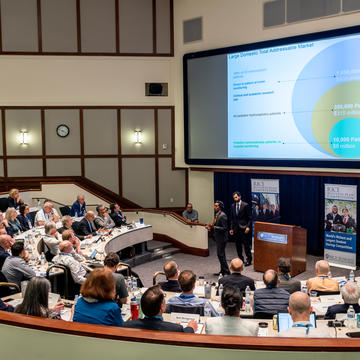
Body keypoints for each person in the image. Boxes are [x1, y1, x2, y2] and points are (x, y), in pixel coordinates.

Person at [123, 285, 197, 333]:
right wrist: (191, 327)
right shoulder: (176, 329)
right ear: (162, 307)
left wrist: (172, 326)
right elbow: (186, 334)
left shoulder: (127, 326)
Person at [206, 200, 230, 276]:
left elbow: (225, 228)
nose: (214, 207)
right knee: (220, 255)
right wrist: (210, 227)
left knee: (221, 255)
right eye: (214, 205)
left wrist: (214, 227)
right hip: (218, 237)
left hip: (222, 238)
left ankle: (227, 271)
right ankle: (223, 271)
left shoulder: (223, 215)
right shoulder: (217, 214)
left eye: (216, 206)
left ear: (220, 207)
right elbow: (216, 226)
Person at [230, 191, 252, 267]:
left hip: (244, 228)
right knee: (238, 245)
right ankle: (241, 259)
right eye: (234, 198)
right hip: (236, 229)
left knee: (246, 245)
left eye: (236, 197)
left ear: (240, 197)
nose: (235, 199)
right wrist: (231, 228)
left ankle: (249, 260)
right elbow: (232, 219)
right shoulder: (232, 206)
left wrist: (248, 227)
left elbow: (250, 218)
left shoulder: (245, 205)